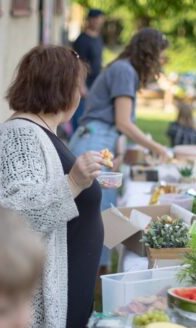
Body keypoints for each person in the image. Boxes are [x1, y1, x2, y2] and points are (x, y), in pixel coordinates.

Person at [0, 45, 106, 328]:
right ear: (59, 86)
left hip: (63, 297)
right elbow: (16, 215)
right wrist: (74, 182)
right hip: (37, 306)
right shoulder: (19, 135)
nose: (82, 93)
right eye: (78, 84)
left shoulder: (42, 132)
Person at [70, 28, 171, 269]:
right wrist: (158, 148)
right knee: (96, 214)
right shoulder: (125, 71)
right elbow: (123, 122)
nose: (161, 61)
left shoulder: (123, 69)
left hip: (98, 138)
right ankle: (90, 274)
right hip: (95, 140)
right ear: (150, 52)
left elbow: (118, 124)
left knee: (98, 211)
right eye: (160, 55)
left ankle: (94, 273)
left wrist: (120, 146)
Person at [70, 8, 105, 132]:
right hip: (84, 87)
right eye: (94, 19)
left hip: (95, 85)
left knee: (90, 121)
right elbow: (77, 63)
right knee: (80, 121)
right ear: (89, 20)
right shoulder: (82, 40)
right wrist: (81, 86)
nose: (97, 22)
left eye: (99, 19)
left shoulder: (99, 38)